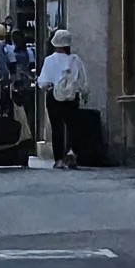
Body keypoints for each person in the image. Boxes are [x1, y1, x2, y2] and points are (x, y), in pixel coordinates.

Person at [37, 29, 89, 169]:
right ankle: (72, 152)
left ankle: (59, 159)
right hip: (72, 96)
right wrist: (84, 93)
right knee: (73, 126)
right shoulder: (75, 60)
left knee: (57, 127)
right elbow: (83, 80)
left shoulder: (49, 60)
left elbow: (43, 82)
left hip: (54, 96)